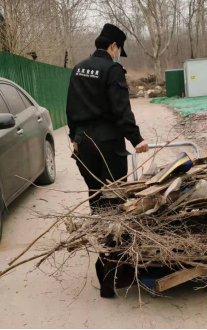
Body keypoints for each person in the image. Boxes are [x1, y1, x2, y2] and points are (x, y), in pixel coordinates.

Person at [66, 23, 149, 297]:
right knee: (115, 205)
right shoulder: (113, 70)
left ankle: (106, 268)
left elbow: (70, 107)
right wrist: (136, 139)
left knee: (98, 202)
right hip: (108, 146)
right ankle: (111, 278)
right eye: (119, 50)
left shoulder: (78, 68)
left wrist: (74, 137)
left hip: (84, 145)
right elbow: (121, 109)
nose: (118, 55)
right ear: (114, 46)